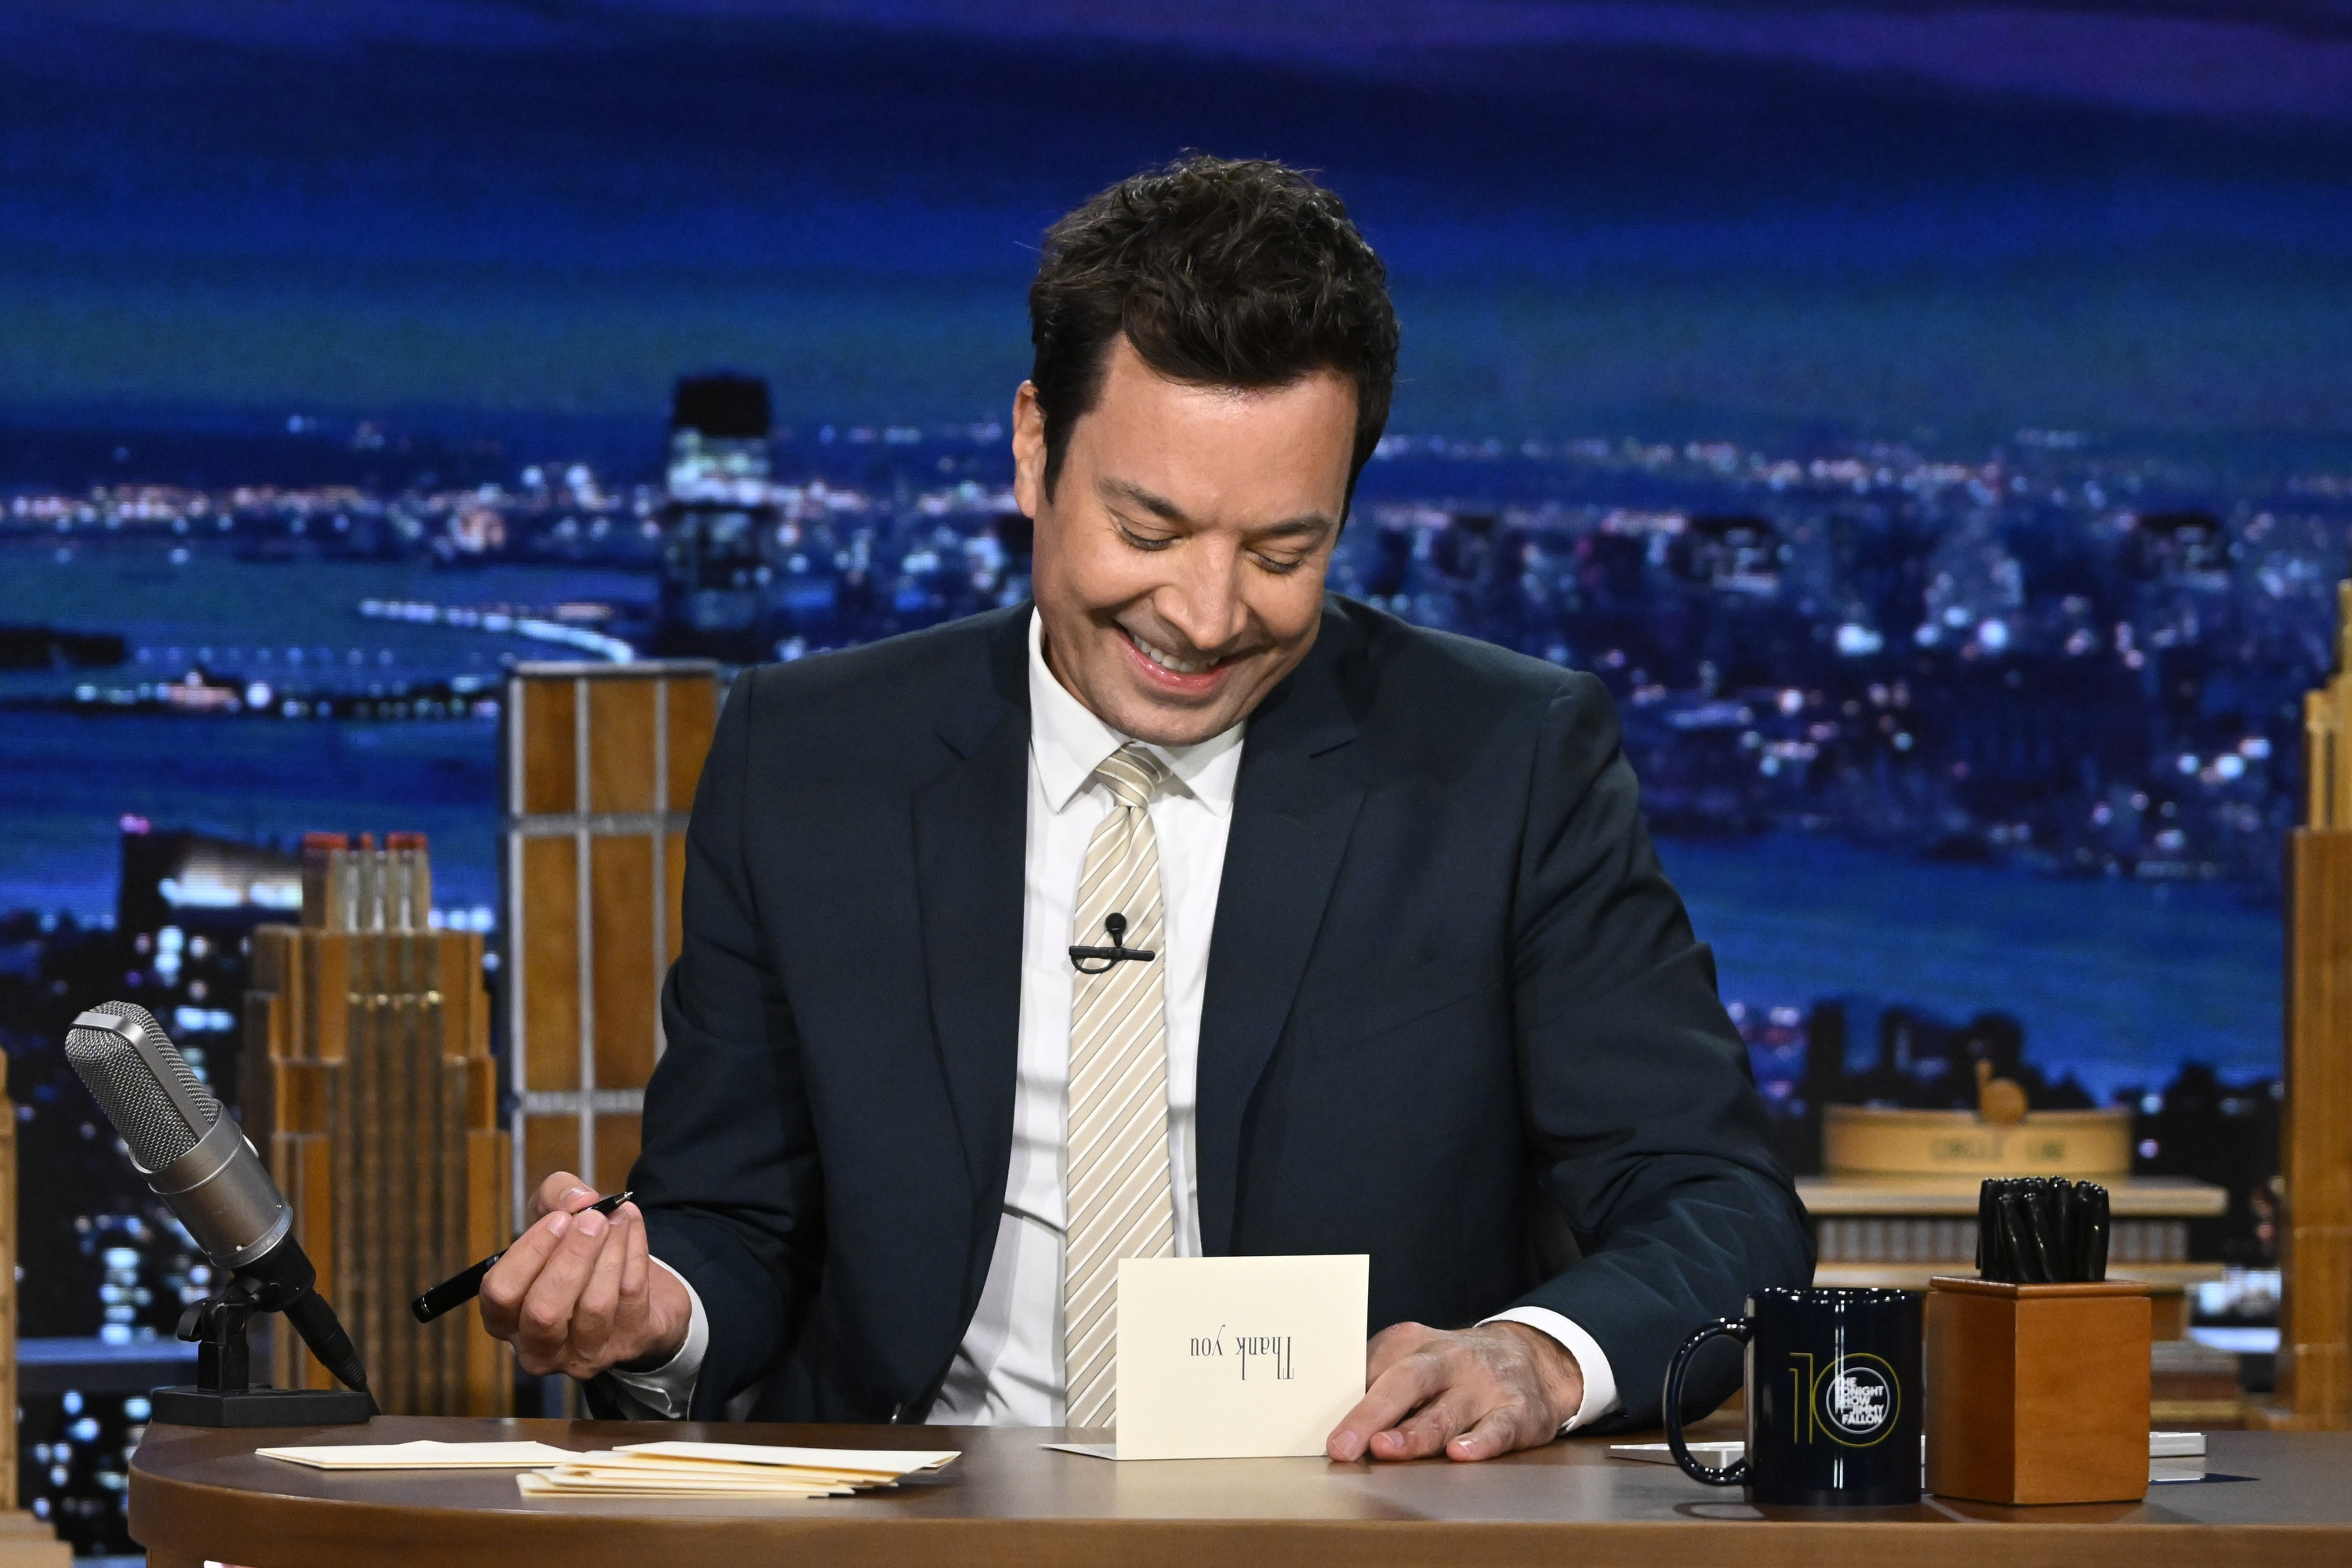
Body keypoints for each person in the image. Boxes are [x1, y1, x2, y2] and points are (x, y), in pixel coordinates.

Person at [479, 154, 1811, 1461]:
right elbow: (734, 1222)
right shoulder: (810, 758)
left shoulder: (1507, 762)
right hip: (914, 1529)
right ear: (1033, 449)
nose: (1207, 614)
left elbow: (1720, 1207)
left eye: (1282, 550)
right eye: (1151, 532)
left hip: (1349, 1528)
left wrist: (1533, 1358)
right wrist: (655, 1315)